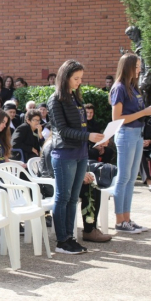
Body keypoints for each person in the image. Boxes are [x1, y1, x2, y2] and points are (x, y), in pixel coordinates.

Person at [47, 59, 104, 254]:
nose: (79, 82)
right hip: (64, 154)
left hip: (80, 153)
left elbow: (81, 126)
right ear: (65, 78)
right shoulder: (55, 99)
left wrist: (94, 139)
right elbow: (62, 130)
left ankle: (70, 237)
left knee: (73, 199)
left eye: (81, 78)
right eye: (76, 78)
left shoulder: (76, 98)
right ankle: (62, 241)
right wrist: (88, 136)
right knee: (62, 197)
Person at [110, 53, 151, 233]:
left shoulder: (134, 87)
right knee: (123, 178)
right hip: (126, 134)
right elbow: (117, 118)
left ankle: (127, 219)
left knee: (131, 179)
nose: (140, 70)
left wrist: (150, 111)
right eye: (137, 66)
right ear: (128, 67)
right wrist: (144, 112)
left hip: (137, 134)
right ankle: (119, 221)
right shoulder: (119, 88)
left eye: (140, 66)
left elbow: (139, 111)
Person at [39, 137, 112, 242]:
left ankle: (91, 228)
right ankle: (88, 230)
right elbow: (53, 172)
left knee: (93, 186)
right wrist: (80, 176)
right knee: (89, 190)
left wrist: (82, 175)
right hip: (50, 186)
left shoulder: (63, 143)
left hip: (63, 181)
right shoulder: (53, 145)